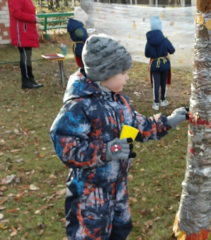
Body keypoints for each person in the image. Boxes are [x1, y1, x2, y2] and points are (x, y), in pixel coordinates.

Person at [50, 34, 188, 240]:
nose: (127, 77)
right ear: (104, 74)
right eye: (122, 73)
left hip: (117, 188)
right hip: (90, 196)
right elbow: (66, 146)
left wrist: (167, 122)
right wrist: (106, 150)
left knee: (120, 230)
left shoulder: (119, 102)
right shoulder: (80, 106)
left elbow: (138, 126)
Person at [8, 0, 43, 89]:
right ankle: (26, 81)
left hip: (26, 31)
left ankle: (30, 80)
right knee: (25, 57)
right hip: (21, 32)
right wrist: (33, 18)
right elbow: (16, 13)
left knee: (27, 57)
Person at [145, 16, 175, 111]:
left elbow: (146, 54)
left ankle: (156, 103)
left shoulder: (148, 41)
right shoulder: (165, 40)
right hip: (165, 64)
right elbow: (172, 50)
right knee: (163, 83)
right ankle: (163, 100)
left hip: (154, 65)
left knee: (156, 83)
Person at [67, 7, 89, 74]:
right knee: (85, 68)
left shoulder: (75, 27)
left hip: (78, 48)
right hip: (82, 49)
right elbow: (84, 37)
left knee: (83, 67)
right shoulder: (78, 29)